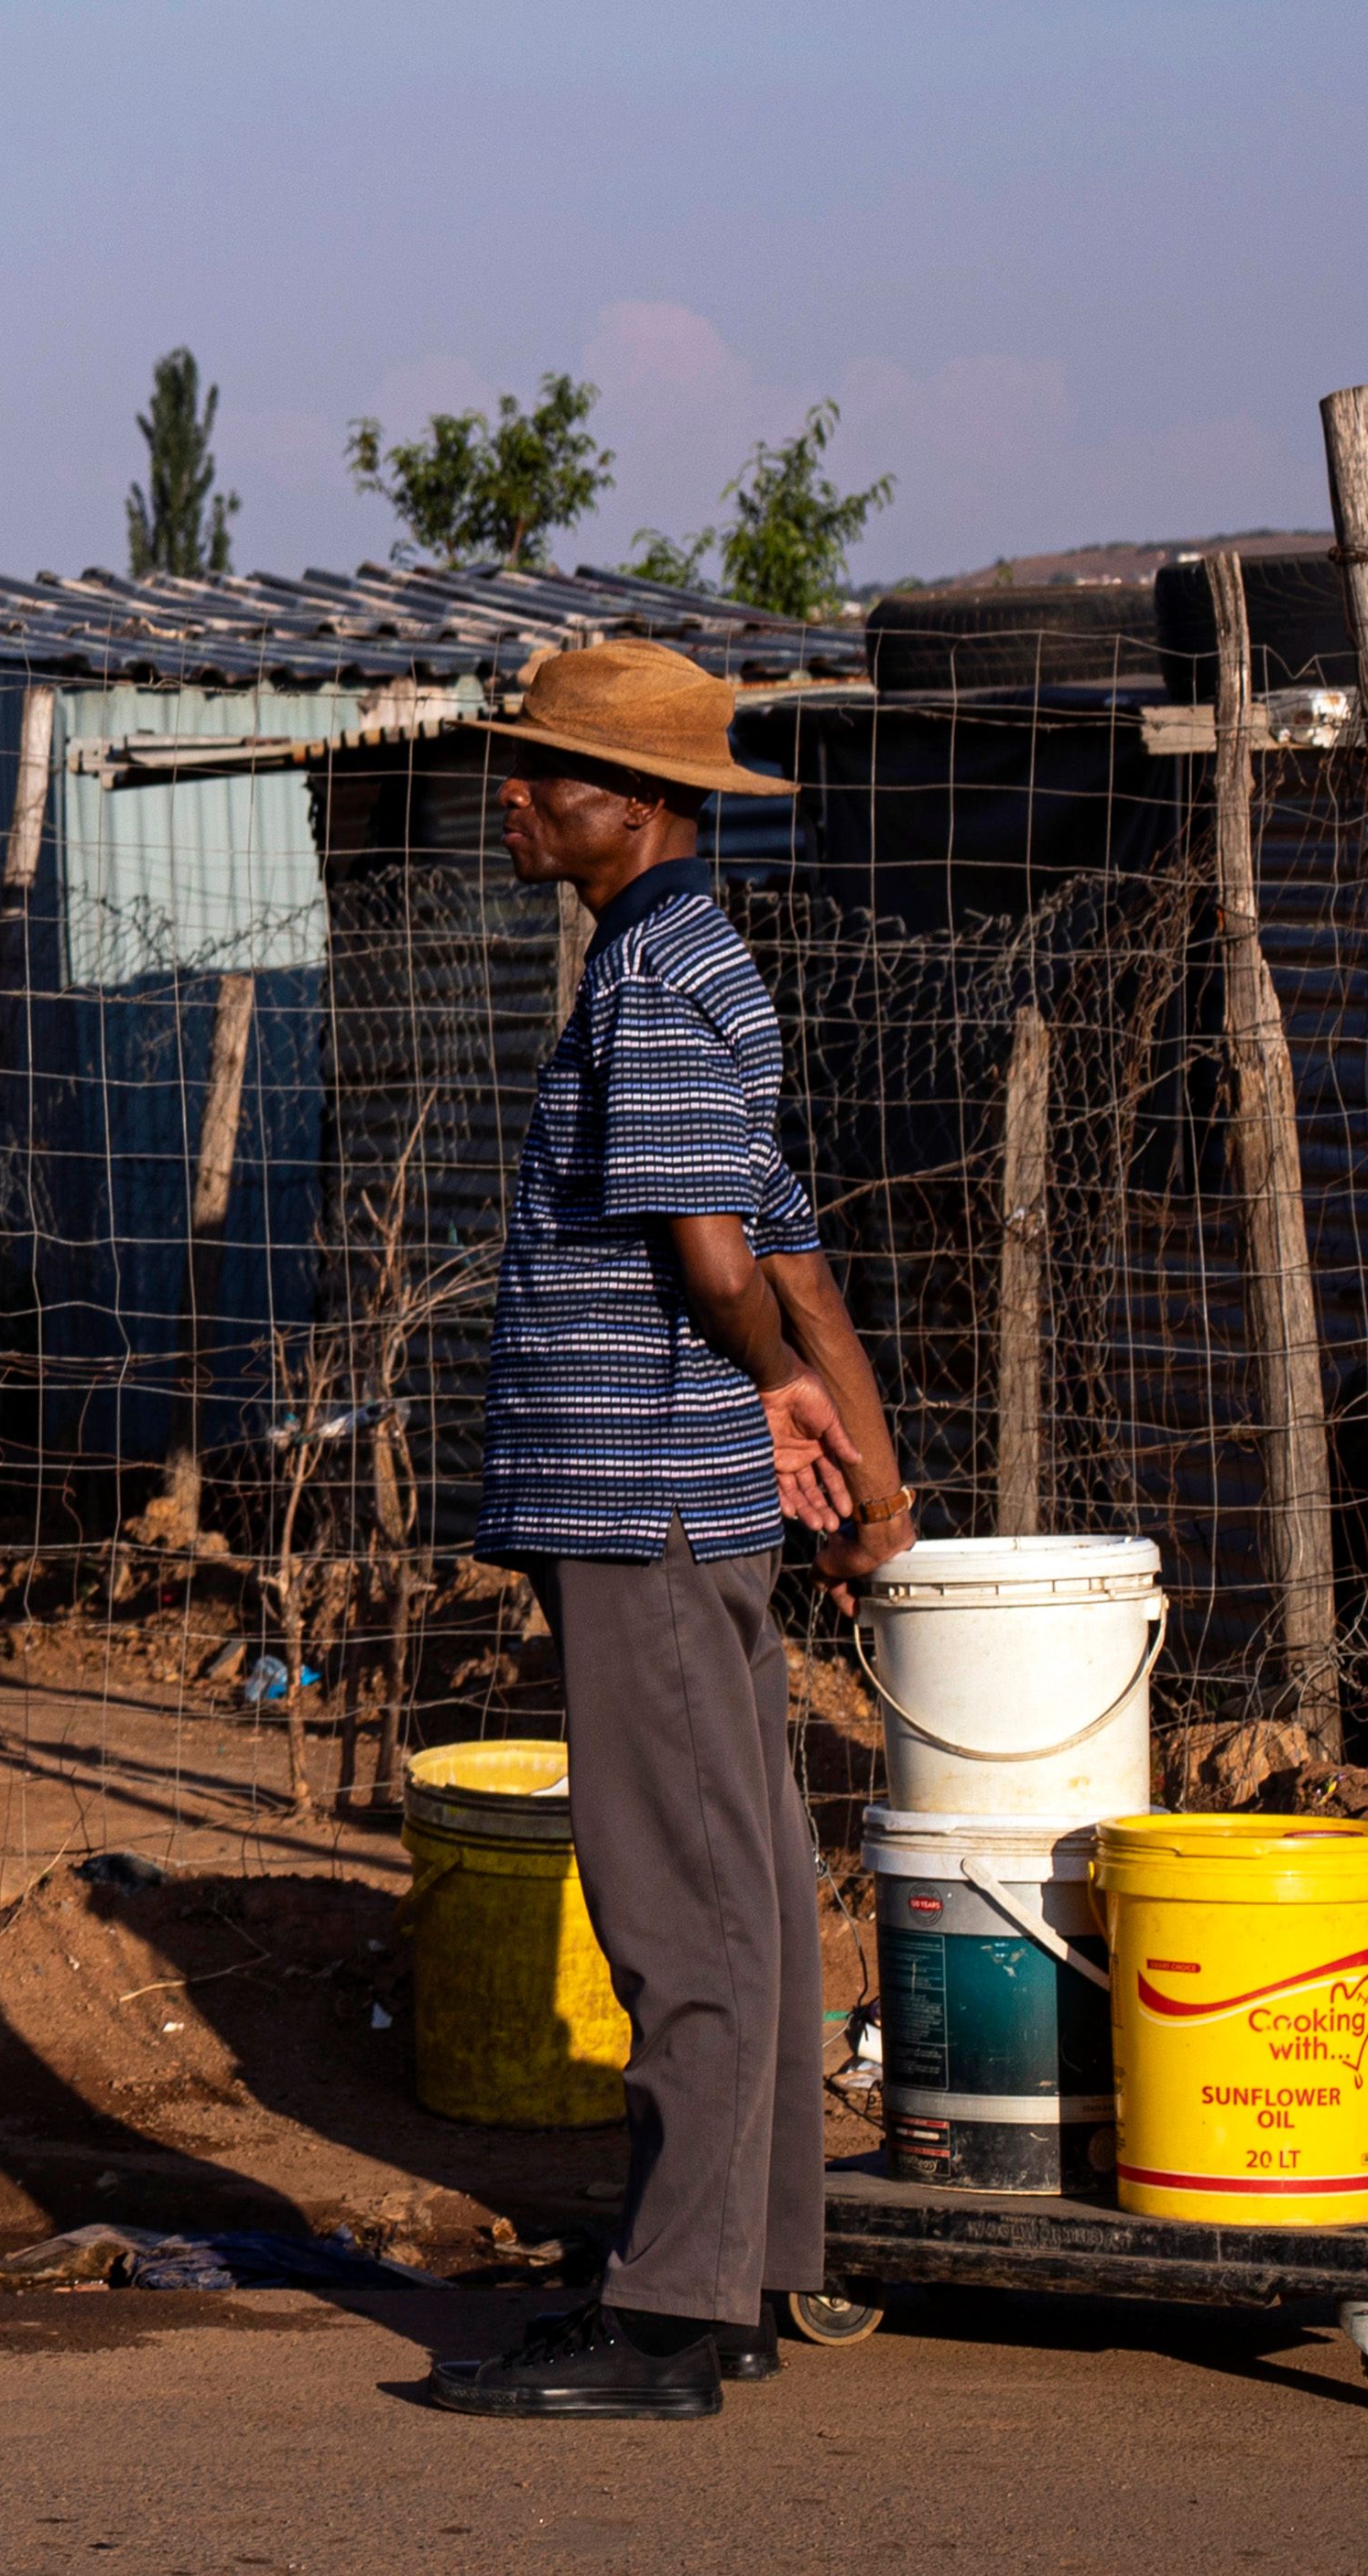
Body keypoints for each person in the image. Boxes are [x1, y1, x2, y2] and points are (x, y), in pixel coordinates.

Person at [426, 640, 909, 2424]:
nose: (516, 799)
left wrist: (787, 1398)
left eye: (542, 773)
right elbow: (792, 1246)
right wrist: (865, 1454)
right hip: (672, 1494)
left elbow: (721, 1255)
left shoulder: (658, 978)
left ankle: (675, 2313)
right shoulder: (690, 960)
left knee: (675, 1893)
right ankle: (746, 2258)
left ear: (625, 800)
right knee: (749, 1874)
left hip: (645, 1494)